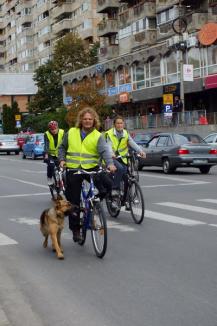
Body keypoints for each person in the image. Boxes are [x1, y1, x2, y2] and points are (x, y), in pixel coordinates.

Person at [58, 106, 116, 242]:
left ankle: (94, 203)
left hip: (91, 168)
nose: (88, 121)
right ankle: (76, 230)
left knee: (108, 184)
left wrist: (110, 164)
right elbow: (62, 147)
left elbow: (105, 151)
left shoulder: (97, 135)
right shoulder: (71, 132)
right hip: (73, 169)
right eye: (85, 119)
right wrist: (61, 159)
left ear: (94, 120)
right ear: (81, 120)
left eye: (90, 119)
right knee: (73, 202)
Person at [104, 116, 146, 209]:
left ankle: (126, 200)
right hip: (112, 158)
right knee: (120, 169)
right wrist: (111, 153)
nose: (119, 125)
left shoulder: (125, 133)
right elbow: (108, 146)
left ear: (124, 124)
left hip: (122, 157)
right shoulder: (109, 134)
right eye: (117, 123)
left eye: (121, 123)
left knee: (127, 177)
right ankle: (115, 191)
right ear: (114, 124)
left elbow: (132, 143)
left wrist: (140, 151)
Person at [44, 121, 65, 186]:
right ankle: (49, 178)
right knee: (51, 165)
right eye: (52, 129)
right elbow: (46, 145)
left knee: (63, 168)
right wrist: (46, 154)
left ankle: (62, 180)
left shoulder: (62, 132)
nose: (54, 131)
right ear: (49, 129)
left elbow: (65, 143)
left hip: (60, 154)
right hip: (51, 154)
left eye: (55, 129)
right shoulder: (47, 134)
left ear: (57, 128)